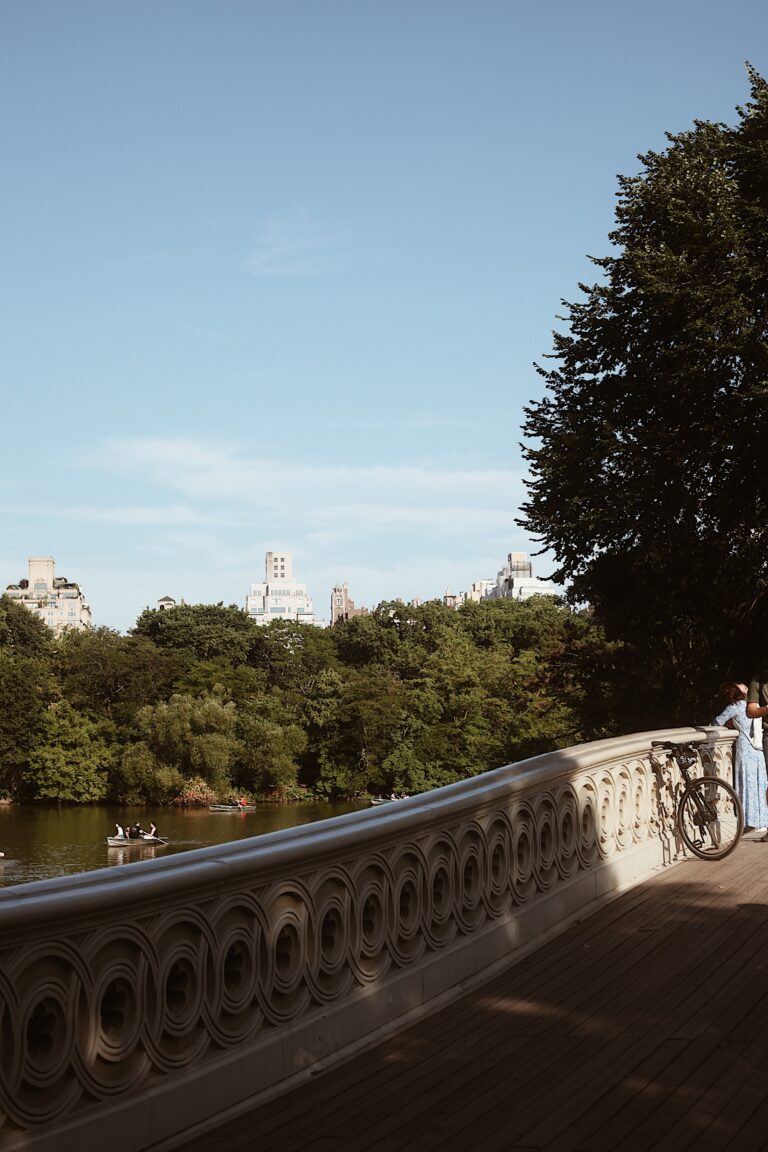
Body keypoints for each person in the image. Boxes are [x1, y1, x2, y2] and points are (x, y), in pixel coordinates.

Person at [715, 681, 768, 833]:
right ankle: (762, 820)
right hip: (757, 747)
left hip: (745, 748)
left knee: (746, 782)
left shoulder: (734, 707)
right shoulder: (754, 706)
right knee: (760, 783)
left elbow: (717, 722)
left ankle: (747, 820)